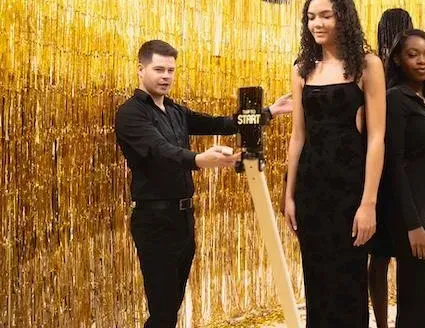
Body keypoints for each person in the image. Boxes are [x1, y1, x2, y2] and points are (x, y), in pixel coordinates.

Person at [115, 39, 292, 328]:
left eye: (171, 70)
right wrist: (200, 159)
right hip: (154, 220)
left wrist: (269, 112)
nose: (166, 76)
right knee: (162, 310)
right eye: (159, 69)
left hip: (183, 217)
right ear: (140, 69)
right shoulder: (130, 113)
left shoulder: (175, 111)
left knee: (171, 306)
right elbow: (161, 152)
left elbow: (220, 124)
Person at [283, 0, 386, 327]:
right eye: (311, 17)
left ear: (344, 17)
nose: (317, 23)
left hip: (350, 188)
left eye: (326, 15)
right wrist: (289, 195)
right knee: (316, 280)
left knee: (349, 280)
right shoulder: (301, 68)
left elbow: (377, 138)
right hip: (311, 188)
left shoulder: (368, 65)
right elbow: (298, 135)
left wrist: (369, 203)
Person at [369, 8, 425, 327]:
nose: (422, 61)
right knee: (415, 290)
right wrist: (413, 223)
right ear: (398, 57)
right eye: (413, 54)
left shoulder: (423, 97)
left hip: (423, 202)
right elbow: (394, 163)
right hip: (401, 202)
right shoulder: (394, 96)